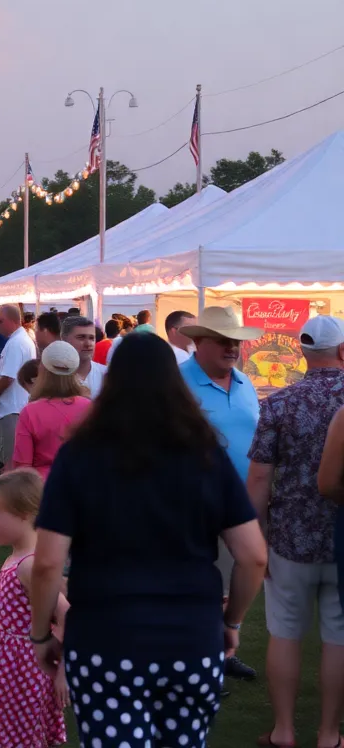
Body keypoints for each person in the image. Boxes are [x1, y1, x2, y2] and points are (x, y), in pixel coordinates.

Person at [29, 331, 268, 748]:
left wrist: (40, 633)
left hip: (105, 640)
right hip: (191, 639)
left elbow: (48, 562)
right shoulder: (206, 454)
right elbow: (252, 557)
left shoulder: (80, 456)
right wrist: (231, 622)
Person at [246, 314, 344, 748]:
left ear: (302, 353)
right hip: (340, 535)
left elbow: (259, 480)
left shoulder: (279, 402)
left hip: (290, 536)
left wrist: (258, 537)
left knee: (284, 631)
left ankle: (283, 730)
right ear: (342, 351)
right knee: (338, 635)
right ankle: (328, 733)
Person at [179, 306, 263, 682]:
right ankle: (197, 660)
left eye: (236, 342)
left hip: (240, 503)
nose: (233, 348)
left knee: (233, 583)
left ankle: (222, 654)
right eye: (224, 341)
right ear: (198, 342)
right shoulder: (176, 383)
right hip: (192, 502)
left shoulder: (245, 384)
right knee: (197, 583)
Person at [0, 470, 68, 748]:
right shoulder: (16, 559)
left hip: (25, 669)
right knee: (14, 731)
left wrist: (62, 672)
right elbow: (16, 617)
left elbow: (65, 615)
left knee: (21, 734)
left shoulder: (29, 566)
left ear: (26, 514)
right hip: (9, 665)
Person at [12, 341, 91, 478]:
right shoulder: (90, 409)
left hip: (42, 490)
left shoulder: (30, 412)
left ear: (43, 370)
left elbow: (22, 467)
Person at [0, 305, 37, 472]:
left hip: (13, 409)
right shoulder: (18, 340)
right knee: (12, 461)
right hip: (12, 406)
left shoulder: (17, 342)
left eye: (0, 321)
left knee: (12, 464)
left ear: (13, 321)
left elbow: (7, 378)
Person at [61, 315, 106, 399]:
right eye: (81, 337)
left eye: (91, 338)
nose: (88, 344)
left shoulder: (106, 375)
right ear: (64, 339)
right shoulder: (52, 378)